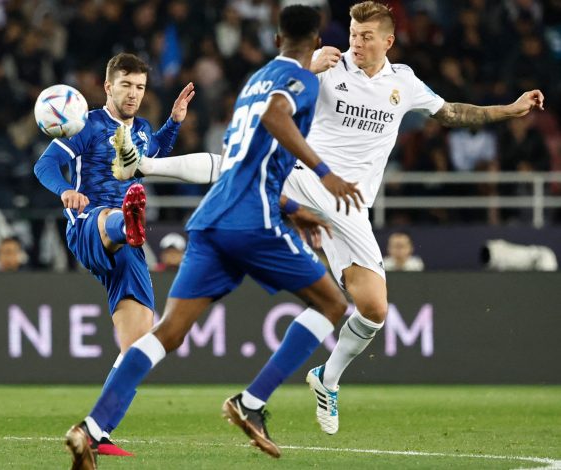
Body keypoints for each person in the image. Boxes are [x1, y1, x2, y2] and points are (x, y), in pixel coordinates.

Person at [122, 0, 545, 437]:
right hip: (306, 176)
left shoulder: (404, 82)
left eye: (365, 36)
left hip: (350, 207)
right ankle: (145, 166)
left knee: (375, 309)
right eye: (352, 33)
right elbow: (271, 90)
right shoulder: (328, 66)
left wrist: (508, 111)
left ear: (388, 41)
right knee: (239, 163)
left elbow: (454, 113)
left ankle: (327, 378)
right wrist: (306, 65)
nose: (355, 43)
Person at [66, 6, 364, 467]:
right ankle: (251, 402)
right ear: (316, 37)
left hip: (212, 217)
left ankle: (93, 427)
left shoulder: (255, 81)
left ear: (277, 35)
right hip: (252, 219)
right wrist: (325, 176)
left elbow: (236, 161)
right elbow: (276, 118)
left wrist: (293, 209)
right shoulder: (300, 80)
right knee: (333, 305)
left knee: (167, 332)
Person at [34, 52, 195, 459]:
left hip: (129, 248)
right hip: (90, 225)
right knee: (112, 214)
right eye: (125, 85)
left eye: (139, 87)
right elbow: (45, 165)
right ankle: (128, 221)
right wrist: (65, 191)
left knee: (139, 346)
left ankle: (98, 432)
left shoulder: (140, 128)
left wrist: (173, 122)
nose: (133, 94)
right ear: (108, 86)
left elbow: (153, 153)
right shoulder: (85, 124)